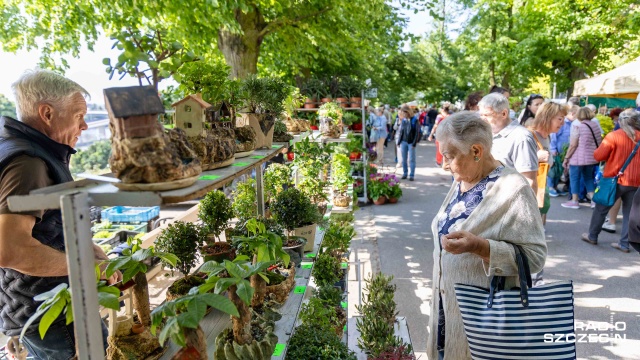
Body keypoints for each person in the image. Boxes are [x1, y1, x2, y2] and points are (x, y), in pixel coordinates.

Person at [0, 70, 121, 358]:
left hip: (32, 308)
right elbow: (9, 249)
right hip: (53, 315)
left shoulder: (26, 150)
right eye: (78, 115)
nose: (85, 124)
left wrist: (87, 249)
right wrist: (87, 267)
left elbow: (47, 227)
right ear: (47, 113)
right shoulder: (29, 164)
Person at [427, 111, 546, 360]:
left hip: (483, 319)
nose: (444, 165)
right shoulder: (463, 179)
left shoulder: (514, 189)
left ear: (476, 151)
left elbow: (535, 257)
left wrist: (481, 247)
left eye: (448, 156)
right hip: (446, 312)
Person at [582, 109, 640, 253]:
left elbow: (598, 155)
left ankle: (592, 236)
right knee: (629, 213)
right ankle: (625, 243)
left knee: (601, 208)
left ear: (620, 121)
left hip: (614, 179)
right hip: (636, 181)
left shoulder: (613, 136)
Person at [478, 93, 538, 194]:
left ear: (504, 114)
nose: (482, 119)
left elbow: (529, 181)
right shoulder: (488, 133)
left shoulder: (521, 137)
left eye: (487, 115)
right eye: (481, 115)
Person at [561, 107, 602, 209]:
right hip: (591, 158)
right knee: (588, 178)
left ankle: (574, 201)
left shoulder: (578, 126)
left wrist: (566, 158)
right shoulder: (595, 125)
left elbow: (573, 145)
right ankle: (593, 200)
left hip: (577, 158)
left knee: (574, 178)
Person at [548, 105, 578, 197]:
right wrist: (553, 149)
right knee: (553, 170)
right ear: (573, 113)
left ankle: (556, 187)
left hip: (563, 152)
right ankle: (550, 187)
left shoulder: (572, 124)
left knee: (559, 170)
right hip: (557, 151)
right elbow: (553, 135)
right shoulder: (562, 123)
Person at [394, 105, 421, 180]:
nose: (403, 115)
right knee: (404, 158)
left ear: (408, 112)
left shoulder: (414, 120)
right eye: (402, 113)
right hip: (403, 141)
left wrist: (414, 143)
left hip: (411, 142)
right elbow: (401, 132)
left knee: (411, 159)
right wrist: (399, 142)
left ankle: (411, 175)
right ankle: (405, 173)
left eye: (404, 113)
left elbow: (417, 132)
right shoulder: (404, 120)